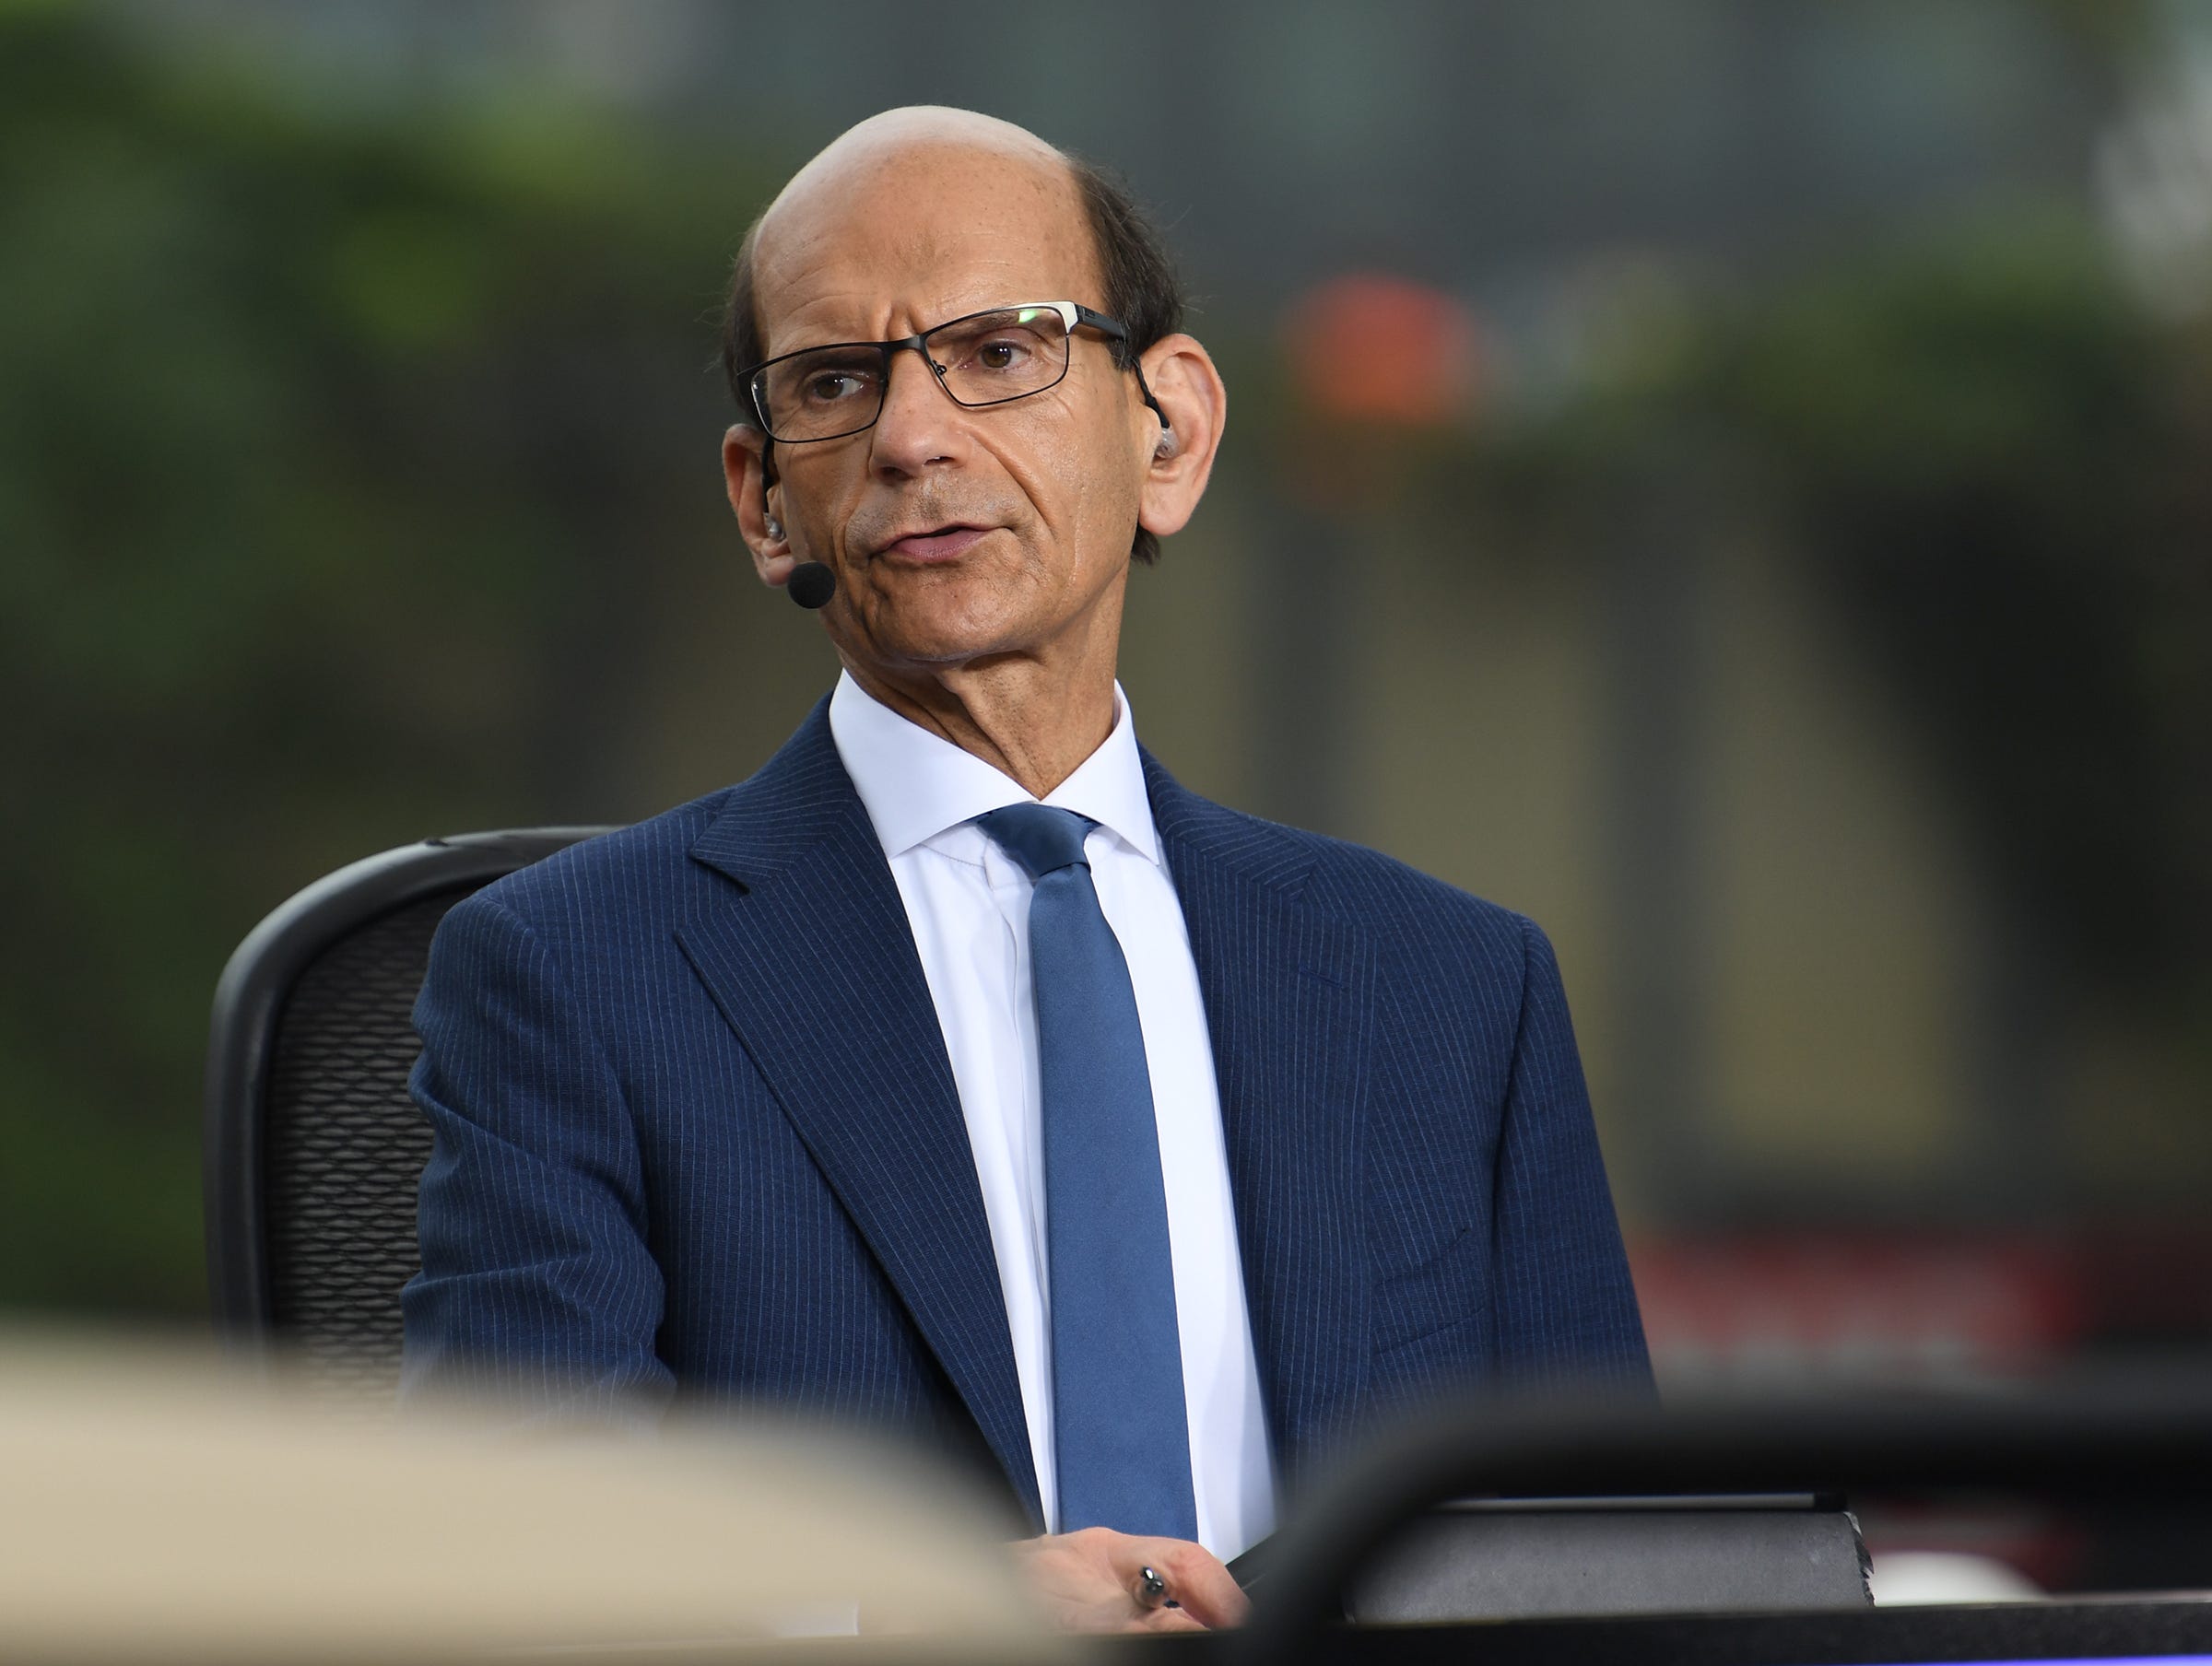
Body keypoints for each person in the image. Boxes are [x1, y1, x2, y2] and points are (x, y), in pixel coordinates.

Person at [401, 106, 1650, 1634]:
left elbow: (1627, 1570)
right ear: (762, 497)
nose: (914, 438)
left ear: (1170, 431)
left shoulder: (1454, 988)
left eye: (1002, 351)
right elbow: (510, 1583)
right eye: (836, 382)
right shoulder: (575, 976)